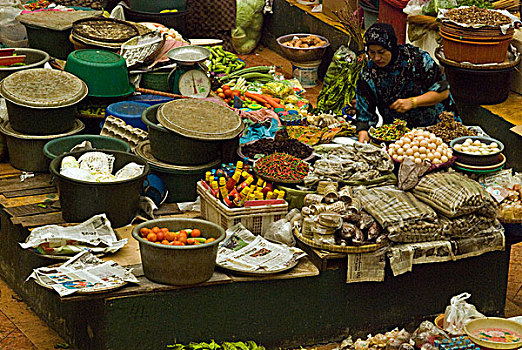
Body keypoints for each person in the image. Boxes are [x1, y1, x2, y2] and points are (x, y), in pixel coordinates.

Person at [356, 23, 451, 143]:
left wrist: (413, 102)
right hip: (398, 135)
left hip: (434, 130)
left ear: (391, 48)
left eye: (381, 52)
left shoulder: (417, 59)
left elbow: (443, 92)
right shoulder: (369, 74)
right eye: (372, 52)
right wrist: (363, 132)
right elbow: (364, 113)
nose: (376, 58)